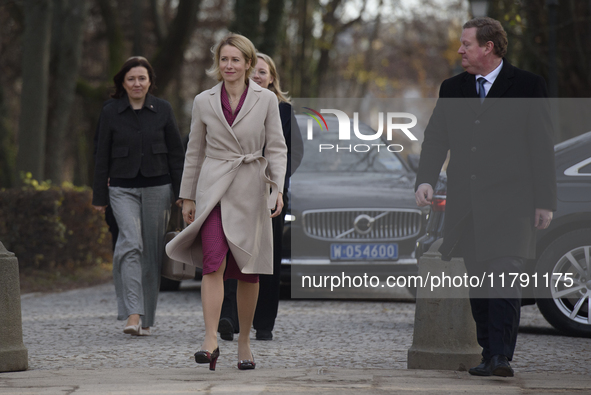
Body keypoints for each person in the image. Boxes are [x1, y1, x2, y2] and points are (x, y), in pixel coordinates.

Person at [414, 17, 556, 377]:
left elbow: (542, 146)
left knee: (505, 278)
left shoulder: (527, 85)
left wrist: (545, 201)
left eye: (467, 44)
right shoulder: (453, 88)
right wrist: (425, 180)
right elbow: (435, 139)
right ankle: (488, 352)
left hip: (513, 204)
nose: (460, 50)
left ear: (488, 47)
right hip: (468, 205)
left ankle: (501, 357)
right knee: (479, 283)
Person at [165, 34, 287, 371]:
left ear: (249, 63)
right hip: (214, 188)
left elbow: (276, 147)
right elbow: (195, 151)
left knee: (249, 271)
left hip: (251, 188)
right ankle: (210, 338)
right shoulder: (203, 101)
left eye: (236, 60)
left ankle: (245, 342)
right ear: (217, 64)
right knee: (212, 261)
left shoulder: (266, 100)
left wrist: (276, 189)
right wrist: (187, 195)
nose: (229, 66)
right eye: (224, 60)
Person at [92, 56, 185, 336]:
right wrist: (99, 195)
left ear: (149, 82)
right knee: (130, 243)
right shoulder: (110, 111)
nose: (136, 83)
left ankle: (146, 318)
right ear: (123, 82)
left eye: (142, 78)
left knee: (152, 254)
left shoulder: (163, 110)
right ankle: (132, 313)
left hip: (159, 187)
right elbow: (100, 156)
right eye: (131, 78)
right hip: (121, 188)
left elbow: (177, 155)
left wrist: (183, 194)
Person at [218, 53, 304, 342]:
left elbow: (294, 153)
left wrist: (277, 184)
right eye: (253, 71)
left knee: (267, 257)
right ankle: (228, 317)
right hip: (233, 189)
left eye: (263, 72)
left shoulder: (283, 110)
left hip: (269, 193)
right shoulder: (229, 105)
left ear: (272, 78)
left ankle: (264, 322)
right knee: (231, 252)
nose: (257, 76)